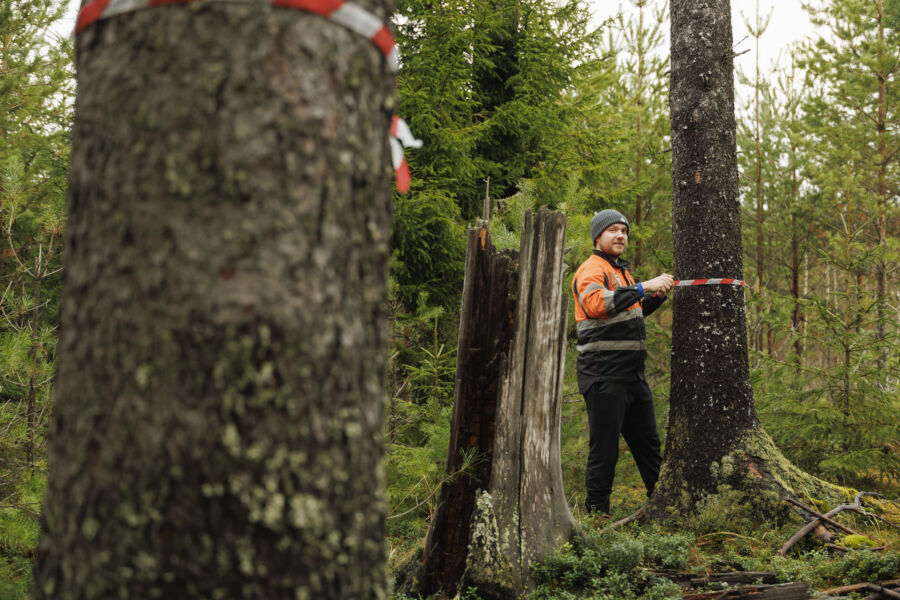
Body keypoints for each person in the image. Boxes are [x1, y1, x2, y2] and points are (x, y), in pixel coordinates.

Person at [571, 209, 674, 515]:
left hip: (632, 377)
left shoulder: (621, 272)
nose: (620, 236)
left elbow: (631, 311)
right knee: (604, 451)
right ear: (598, 236)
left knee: (649, 448)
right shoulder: (591, 269)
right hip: (603, 376)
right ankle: (597, 517)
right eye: (613, 230)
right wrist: (645, 286)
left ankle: (664, 513)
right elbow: (596, 304)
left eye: (624, 231)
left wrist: (654, 296)